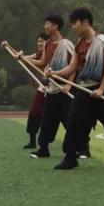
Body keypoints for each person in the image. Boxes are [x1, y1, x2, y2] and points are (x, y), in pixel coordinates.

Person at [46, 7, 104, 171]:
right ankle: (70, 157)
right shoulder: (79, 43)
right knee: (74, 121)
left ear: (85, 22)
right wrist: (55, 73)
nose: (73, 27)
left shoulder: (103, 41)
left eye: (75, 23)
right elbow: (72, 66)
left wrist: (101, 89)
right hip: (84, 90)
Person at [23, 15, 83, 160]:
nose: (45, 26)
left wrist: (69, 85)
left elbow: (73, 66)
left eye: (48, 24)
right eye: (45, 24)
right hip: (52, 88)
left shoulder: (66, 45)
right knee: (47, 119)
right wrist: (23, 59)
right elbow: (42, 62)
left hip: (65, 88)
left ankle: (82, 148)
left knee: (69, 120)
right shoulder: (47, 44)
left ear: (55, 26)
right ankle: (43, 148)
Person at [22, 33, 47, 149]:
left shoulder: (51, 53)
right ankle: (32, 142)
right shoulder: (37, 54)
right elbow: (25, 57)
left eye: (42, 41)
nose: (39, 44)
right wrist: (9, 48)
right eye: (38, 41)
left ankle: (82, 145)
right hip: (43, 88)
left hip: (55, 89)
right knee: (34, 113)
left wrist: (24, 58)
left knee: (63, 117)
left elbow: (42, 62)